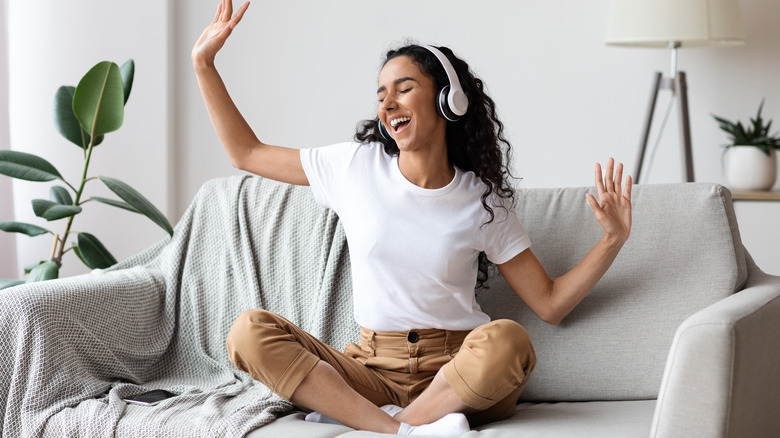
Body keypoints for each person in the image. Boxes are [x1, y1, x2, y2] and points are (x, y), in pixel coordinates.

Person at [191, 1, 633, 436]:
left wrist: (612, 239)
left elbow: (550, 304)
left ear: (448, 101)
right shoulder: (354, 167)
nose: (388, 104)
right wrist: (204, 65)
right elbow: (245, 153)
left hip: (458, 373)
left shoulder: (482, 199)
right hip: (369, 372)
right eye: (381, 95)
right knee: (248, 331)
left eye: (403, 88)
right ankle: (405, 429)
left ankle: (379, 423)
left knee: (509, 340)